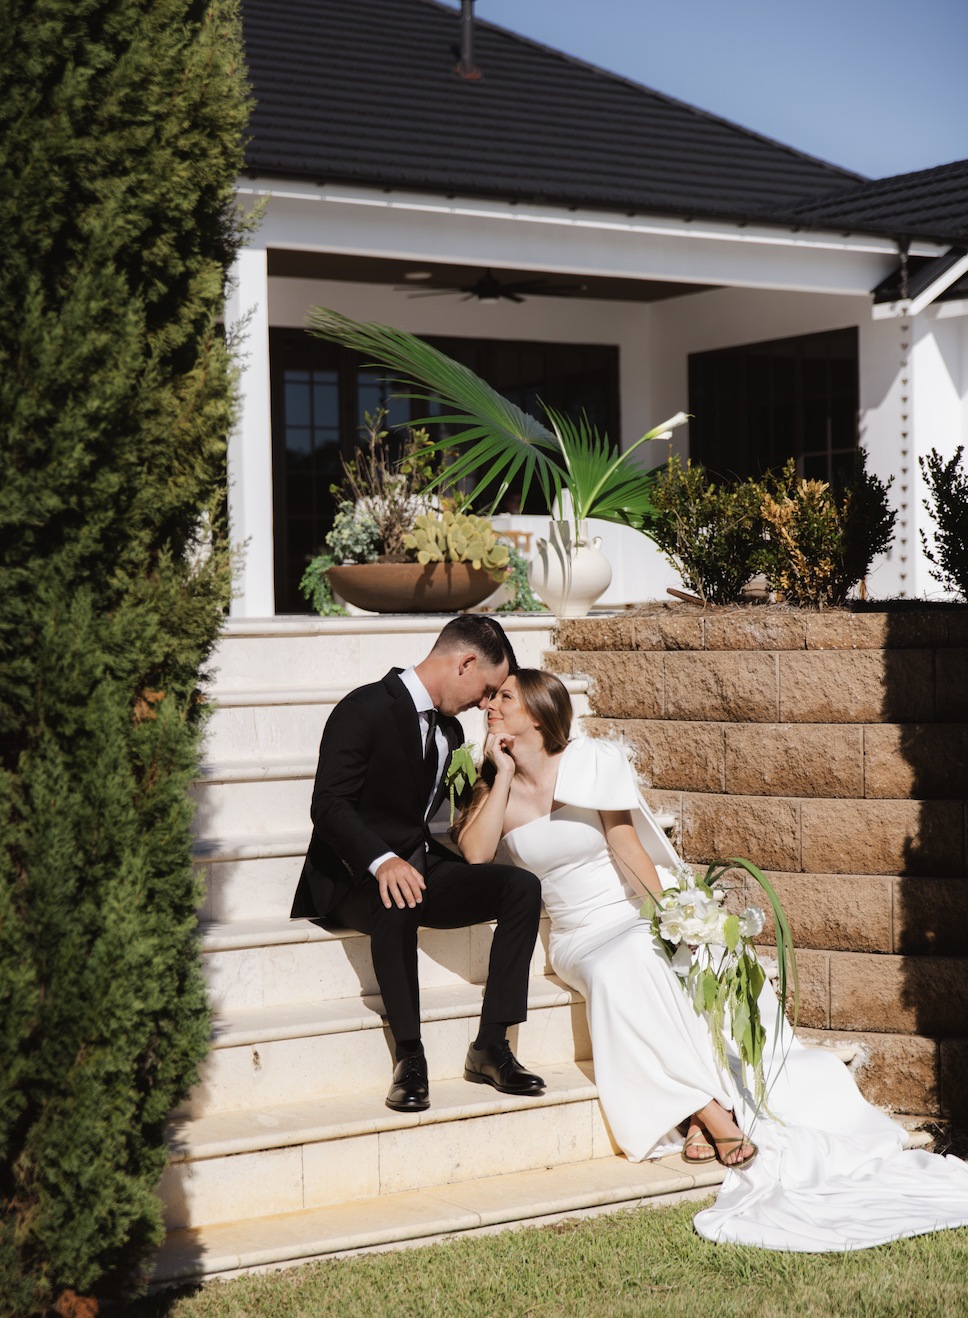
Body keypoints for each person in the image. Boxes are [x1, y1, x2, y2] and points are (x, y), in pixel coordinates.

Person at [455, 668, 968, 1251]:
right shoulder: (490, 780)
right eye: (492, 699)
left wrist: (675, 917)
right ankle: (713, 1111)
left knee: (660, 952)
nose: (490, 706)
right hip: (578, 935)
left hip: (625, 912)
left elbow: (627, 848)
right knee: (622, 964)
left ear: (538, 715)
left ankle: (698, 1113)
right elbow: (475, 855)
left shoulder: (589, 762)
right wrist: (499, 777)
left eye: (503, 699)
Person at [291, 616, 545, 1115]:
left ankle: (491, 1046)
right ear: (465, 663)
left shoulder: (449, 731)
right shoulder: (364, 707)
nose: (486, 704)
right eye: (488, 689)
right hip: (354, 878)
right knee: (397, 897)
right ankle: (410, 1057)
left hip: (419, 865)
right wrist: (382, 862)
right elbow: (329, 805)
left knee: (520, 886)